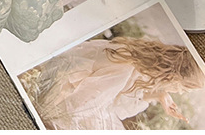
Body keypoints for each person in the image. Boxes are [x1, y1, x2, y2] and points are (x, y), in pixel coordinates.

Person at [29, 35, 205, 129]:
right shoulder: (125, 69)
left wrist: (158, 96)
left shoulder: (137, 59)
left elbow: (114, 101)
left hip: (69, 88)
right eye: (184, 88)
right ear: (174, 77)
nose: (179, 92)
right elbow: (83, 104)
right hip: (61, 94)